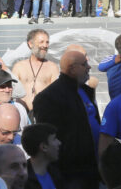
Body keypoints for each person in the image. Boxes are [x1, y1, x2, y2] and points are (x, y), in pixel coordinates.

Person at [32, 49, 100, 189]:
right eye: (84, 64)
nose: (89, 67)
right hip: (71, 173)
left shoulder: (84, 90)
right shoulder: (49, 97)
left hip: (93, 168)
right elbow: (48, 136)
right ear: (72, 68)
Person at [11, 29, 60, 111]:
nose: (45, 45)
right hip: (23, 114)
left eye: (47, 42)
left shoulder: (53, 67)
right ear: (30, 44)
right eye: (41, 42)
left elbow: (57, 93)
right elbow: (11, 91)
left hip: (44, 114)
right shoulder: (19, 66)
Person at [21, 123, 64, 189]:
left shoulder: (55, 172)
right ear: (44, 147)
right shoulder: (23, 181)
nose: (59, 143)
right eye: (54, 139)